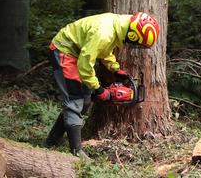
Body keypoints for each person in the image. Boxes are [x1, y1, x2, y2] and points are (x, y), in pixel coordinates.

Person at [46, 12, 160, 159]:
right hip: (64, 51)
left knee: (85, 101)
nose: (134, 46)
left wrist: (115, 69)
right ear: (133, 35)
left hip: (79, 53)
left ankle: (53, 140)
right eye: (137, 43)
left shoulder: (118, 27)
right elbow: (85, 63)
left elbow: (104, 50)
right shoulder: (104, 33)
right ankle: (76, 150)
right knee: (76, 100)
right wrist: (98, 89)